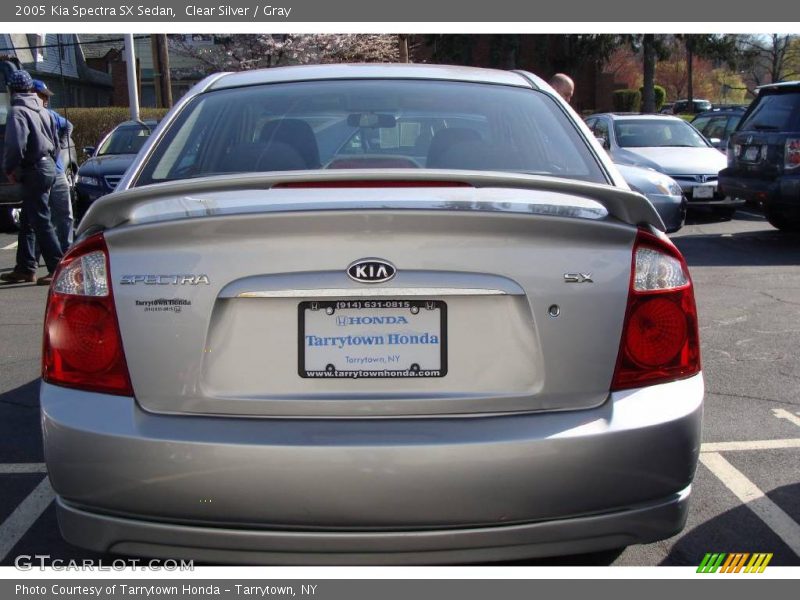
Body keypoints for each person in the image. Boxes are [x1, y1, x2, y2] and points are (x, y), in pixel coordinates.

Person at [0, 70, 63, 285]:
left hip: (33, 168)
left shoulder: (17, 111)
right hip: (47, 166)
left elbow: (16, 144)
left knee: (41, 219)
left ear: (11, 89)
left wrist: (9, 167)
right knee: (29, 218)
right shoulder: (42, 110)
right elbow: (56, 141)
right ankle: (25, 267)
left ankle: (57, 267)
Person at [33, 79, 73, 251]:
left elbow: (68, 126)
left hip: (57, 171)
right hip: (38, 172)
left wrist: (61, 145)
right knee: (40, 216)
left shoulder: (52, 115)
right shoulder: (28, 115)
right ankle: (35, 256)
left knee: (65, 214)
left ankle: (67, 249)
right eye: (43, 96)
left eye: (47, 96)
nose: (46, 100)